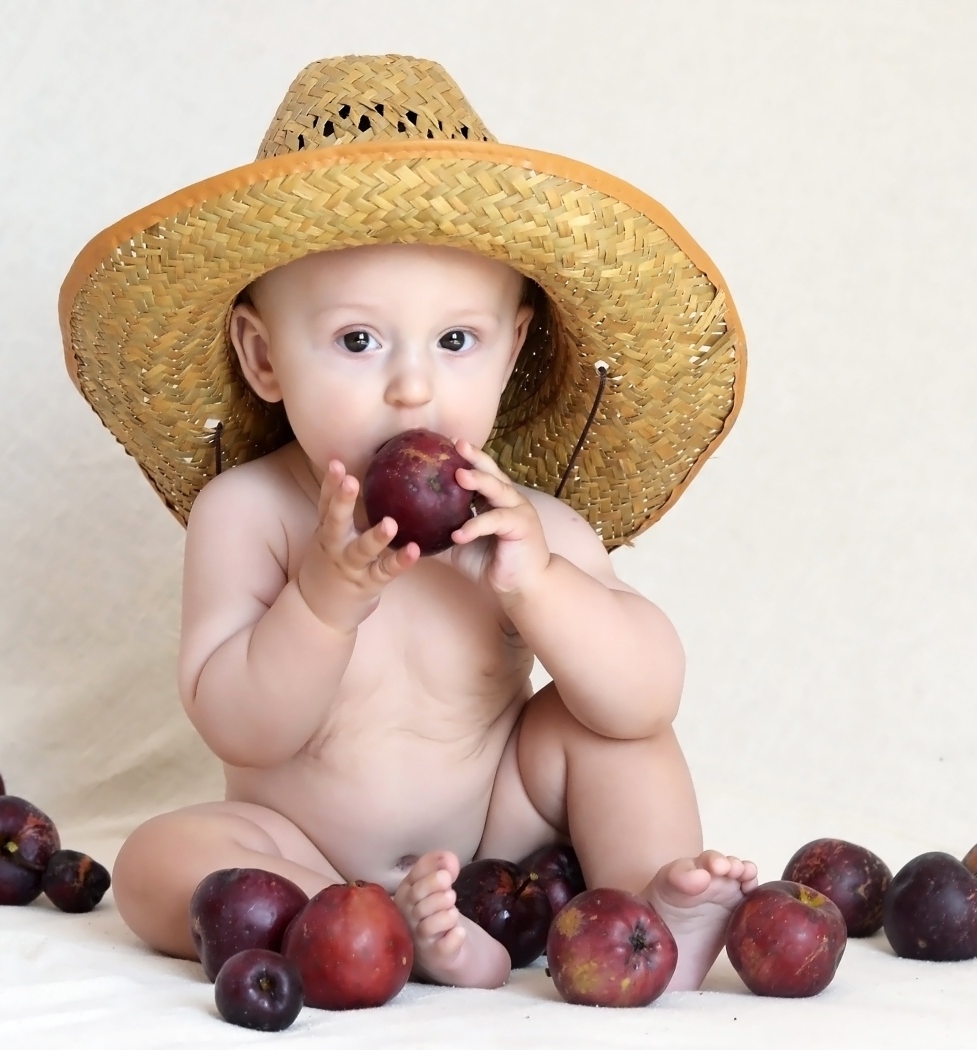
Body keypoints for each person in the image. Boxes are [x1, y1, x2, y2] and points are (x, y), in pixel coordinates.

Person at [60, 54, 751, 992]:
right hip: (302, 847)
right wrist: (323, 599)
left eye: (456, 341)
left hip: (497, 839)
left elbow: (645, 696)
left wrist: (540, 586)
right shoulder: (251, 515)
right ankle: (360, 927)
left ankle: (639, 912)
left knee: (606, 733)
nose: (412, 384)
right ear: (264, 359)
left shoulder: (527, 529)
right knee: (156, 863)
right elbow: (239, 725)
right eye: (356, 340)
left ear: (511, 354)